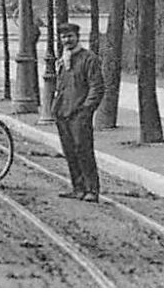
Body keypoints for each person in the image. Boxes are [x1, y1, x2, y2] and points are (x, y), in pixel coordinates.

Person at [51, 22, 104, 202]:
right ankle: (78, 188)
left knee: (84, 151)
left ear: (77, 37)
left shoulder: (89, 59)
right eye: (64, 37)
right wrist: (56, 108)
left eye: (70, 36)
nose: (67, 40)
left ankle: (92, 190)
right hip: (64, 114)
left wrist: (86, 109)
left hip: (79, 114)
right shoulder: (63, 59)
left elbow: (97, 87)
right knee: (70, 152)